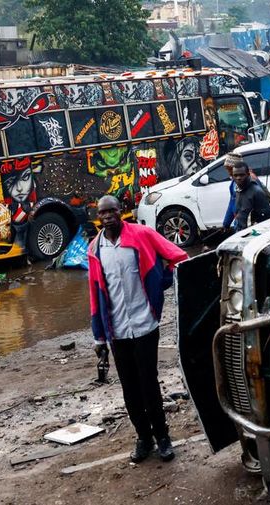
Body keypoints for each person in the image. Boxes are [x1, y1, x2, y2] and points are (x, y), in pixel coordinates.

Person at [87, 195, 189, 463]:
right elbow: (95, 293)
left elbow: (177, 256)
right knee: (129, 389)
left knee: (149, 384)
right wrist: (98, 336)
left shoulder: (142, 235)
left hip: (145, 325)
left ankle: (163, 437)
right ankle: (143, 438)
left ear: (121, 212)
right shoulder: (95, 249)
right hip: (117, 331)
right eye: (102, 212)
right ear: (98, 217)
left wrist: (163, 282)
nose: (108, 216)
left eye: (112, 211)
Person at [222, 152, 270, 231]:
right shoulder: (233, 184)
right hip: (240, 224)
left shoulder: (253, 184)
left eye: (229, 169)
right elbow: (232, 203)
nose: (228, 172)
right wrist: (226, 223)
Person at [231, 162, 270, 231]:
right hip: (240, 233)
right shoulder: (237, 189)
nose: (238, 178)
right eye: (235, 175)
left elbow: (266, 220)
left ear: (248, 174)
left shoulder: (257, 192)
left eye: (242, 175)